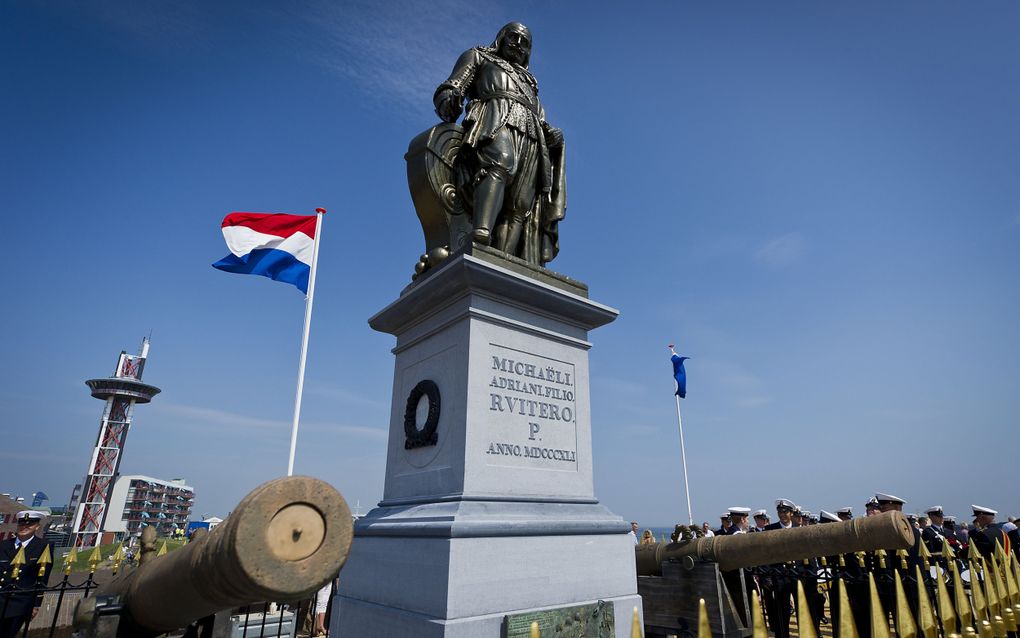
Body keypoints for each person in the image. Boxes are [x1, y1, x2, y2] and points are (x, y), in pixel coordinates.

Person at [434, 22, 565, 263]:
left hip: (531, 135)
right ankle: (480, 235)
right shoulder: (480, 57)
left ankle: (505, 258)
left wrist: (552, 135)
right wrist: (448, 98)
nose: (518, 45)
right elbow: (454, 84)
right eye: (513, 37)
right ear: (501, 38)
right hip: (494, 117)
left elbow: (540, 116)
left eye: (525, 43)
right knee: (500, 163)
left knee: (521, 202)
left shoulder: (529, 81)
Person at [1, 511, 53, 638]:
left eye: (29, 525)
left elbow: (42, 577)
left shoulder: (43, 546)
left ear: (37, 527)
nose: (24, 527)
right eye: (22, 524)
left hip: (20, 601)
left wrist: (36, 604)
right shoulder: (4, 545)